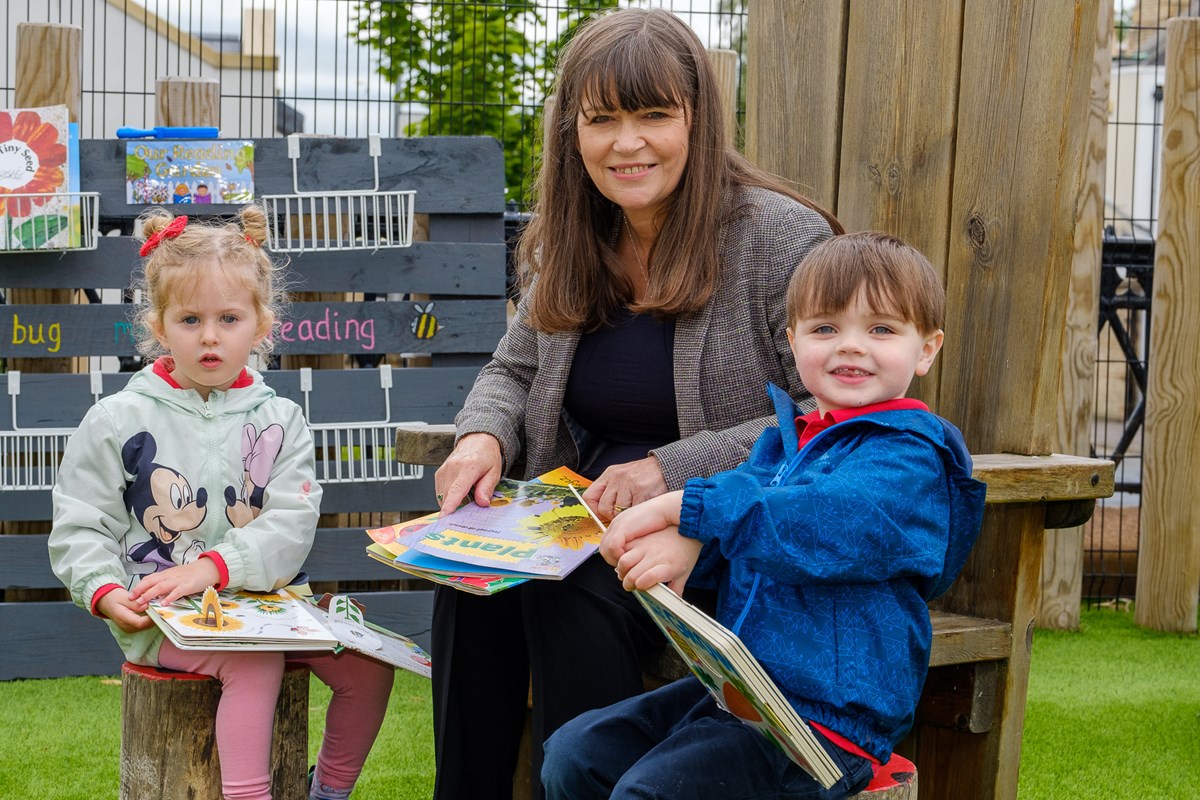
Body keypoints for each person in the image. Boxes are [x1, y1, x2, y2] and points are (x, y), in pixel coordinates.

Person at [429, 8, 844, 800]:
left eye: (654, 114)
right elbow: (512, 370)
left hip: (723, 535)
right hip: (583, 521)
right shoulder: (569, 240)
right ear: (572, 133)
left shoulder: (783, 243)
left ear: (698, 119)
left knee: (572, 583)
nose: (628, 143)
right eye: (603, 119)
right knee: (469, 579)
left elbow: (821, 415)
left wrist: (670, 471)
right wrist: (482, 438)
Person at [540, 231, 988, 799]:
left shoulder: (911, 456)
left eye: (881, 329)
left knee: (651, 794)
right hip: (742, 690)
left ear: (926, 349)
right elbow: (745, 526)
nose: (850, 346)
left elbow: (823, 520)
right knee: (575, 754)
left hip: (826, 722)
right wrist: (691, 547)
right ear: (793, 340)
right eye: (825, 328)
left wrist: (690, 507)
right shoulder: (781, 446)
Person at [47, 207, 395, 800]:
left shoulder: (281, 421)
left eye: (229, 318)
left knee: (370, 664)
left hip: (270, 606)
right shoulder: (116, 419)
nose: (209, 335)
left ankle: (329, 792)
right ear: (158, 325)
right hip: (171, 620)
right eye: (190, 318)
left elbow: (291, 521)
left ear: (261, 325)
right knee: (251, 664)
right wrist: (104, 591)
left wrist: (214, 566)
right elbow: (80, 524)